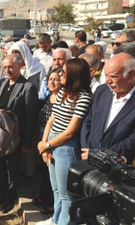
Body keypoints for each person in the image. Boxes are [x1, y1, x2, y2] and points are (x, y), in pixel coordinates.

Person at [37, 58, 92, 225]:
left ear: (74, 75)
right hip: (52, 142)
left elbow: (69, 132)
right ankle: (55, 219)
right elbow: (51, 120)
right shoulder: (62, 92)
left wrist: (46, 145)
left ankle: (64, 222)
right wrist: (44, 144)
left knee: (67, 194)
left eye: (64, 72)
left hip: (65, 148)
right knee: (55, 189)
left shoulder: (83, 98)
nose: (60, 74)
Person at [0, 55, 39, 213]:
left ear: (20, 67)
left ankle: (10, 197)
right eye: (5, 67)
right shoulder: (2, 83)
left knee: (13, 170)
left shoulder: (28, 87)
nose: (7, 70)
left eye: (11, 67)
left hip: (16, 137)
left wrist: (26, 143)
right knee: (0, 167)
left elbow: (30, 118)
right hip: (1, 135)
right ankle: (2, 192)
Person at [81, 53, 135, 164]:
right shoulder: (102, 91)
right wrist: (87, 149)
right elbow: (88, 121)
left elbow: (132, 141)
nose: (107, 81)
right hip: (88, 159)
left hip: (117, 166)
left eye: (113, 76)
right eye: (106, 75)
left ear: (131, 75)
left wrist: (99, 154)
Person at [32, 69, 63, 216]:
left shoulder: (62, 100)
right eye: (50, 79)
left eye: (56, 79)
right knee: (44, 172)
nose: (52, 82)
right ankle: (43, 196)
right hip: (42, 140)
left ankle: (51, 203)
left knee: (54, 175)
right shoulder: (49, 97)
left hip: (54, 142)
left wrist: (48, 143)